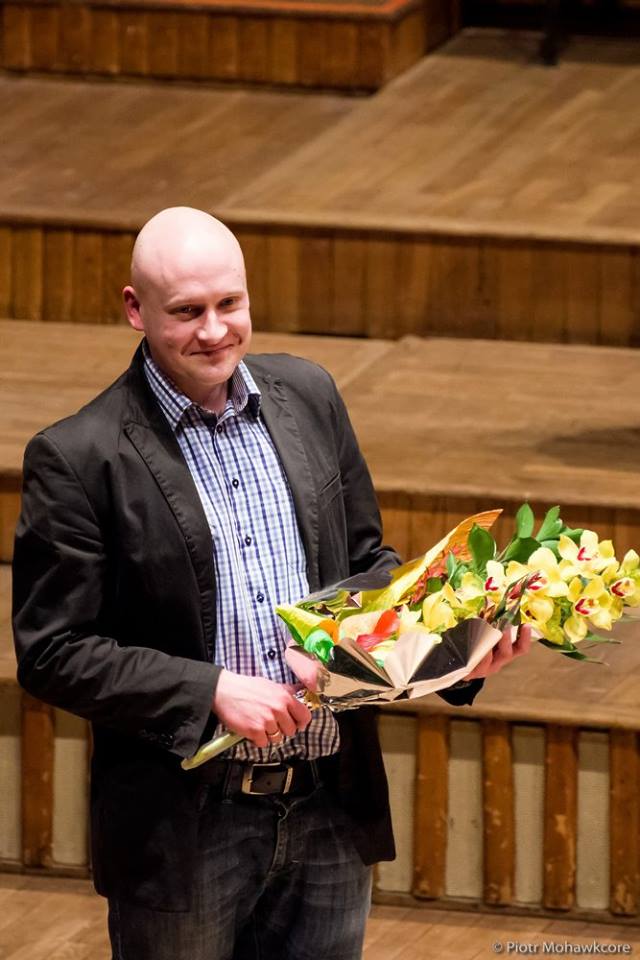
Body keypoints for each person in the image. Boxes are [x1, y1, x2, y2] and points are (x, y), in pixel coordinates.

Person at [12, 207, 530, 960]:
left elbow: (367, 565)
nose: (215, 330)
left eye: (230, 303)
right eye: (187, 312)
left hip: (330, 801)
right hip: (188, 826)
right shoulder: (78, 456)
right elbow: (53, 651)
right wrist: (211, 690)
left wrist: (452, 653)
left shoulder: (310, 394)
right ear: (135, 309)